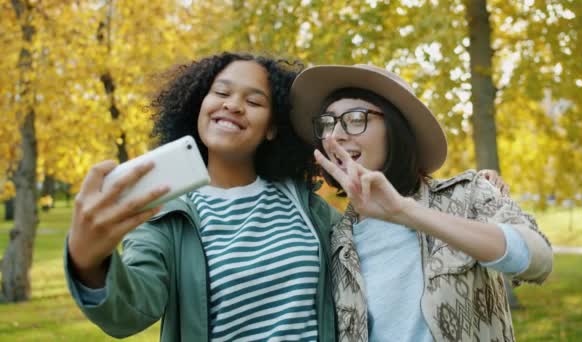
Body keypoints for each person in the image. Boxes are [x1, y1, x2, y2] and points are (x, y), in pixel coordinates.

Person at [64, 52, 341, 341]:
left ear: (272, 127)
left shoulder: (303, 203)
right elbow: (131, 311)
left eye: (254, 101)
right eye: (221, 92)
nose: (232, 105)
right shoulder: (164, 212)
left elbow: (366, 256)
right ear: (199, 106)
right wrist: (88, 262)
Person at [289, 64, 553, 342]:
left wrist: (407, 212)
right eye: (328, 123)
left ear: (395, 128)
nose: (337, 135)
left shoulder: (467, 195)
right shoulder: (335, 240)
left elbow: (538, 260)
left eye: (355, 119)